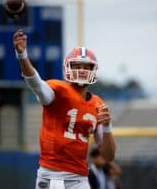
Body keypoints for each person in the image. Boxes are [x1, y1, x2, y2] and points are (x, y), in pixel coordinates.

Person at [13, 29, 116, 189]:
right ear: (67, 67)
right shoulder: (57, 90)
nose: (82, 70)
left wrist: (107, 126)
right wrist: (23, 56)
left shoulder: (98, 105)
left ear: (93, 71)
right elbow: (35, 83)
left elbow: (108, 156)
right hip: (51, 176)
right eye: (77, 66)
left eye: (86, 67)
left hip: (79, 178)